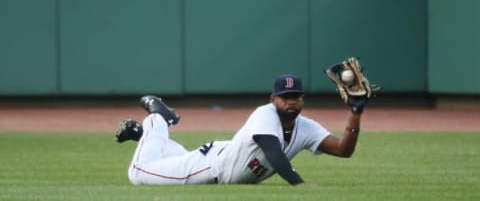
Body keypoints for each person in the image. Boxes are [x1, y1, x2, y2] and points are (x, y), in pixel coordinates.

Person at [115, 73, 370, 185]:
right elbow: (273, 152)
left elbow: (343, 150)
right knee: (138, 173)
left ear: (302, 98)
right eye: (286, 96)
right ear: (274, 99)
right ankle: (158, 117)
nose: (292, 101)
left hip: (224, 155)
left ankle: (141, 134)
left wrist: (355, 113)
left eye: (296, 96)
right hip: (210, 167)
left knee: (172, 157)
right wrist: (298, 184)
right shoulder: (265, 114)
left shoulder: (305, 127)